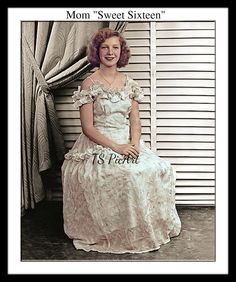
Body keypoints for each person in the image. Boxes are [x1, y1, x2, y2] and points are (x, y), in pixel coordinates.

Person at [61, 27, 181, 254]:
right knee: (128, 174)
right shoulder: (90, 83)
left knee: (158, 168)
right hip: (99, 143)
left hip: (127, 140)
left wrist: (134, 144)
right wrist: (117, 148)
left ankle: (141, 228)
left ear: (121, 52)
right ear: (97, 52)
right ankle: (115, 232)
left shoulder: (130, 84)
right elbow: (87, 127)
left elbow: (135, 121)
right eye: (105, 48)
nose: (110, 52)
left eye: (115, 47)